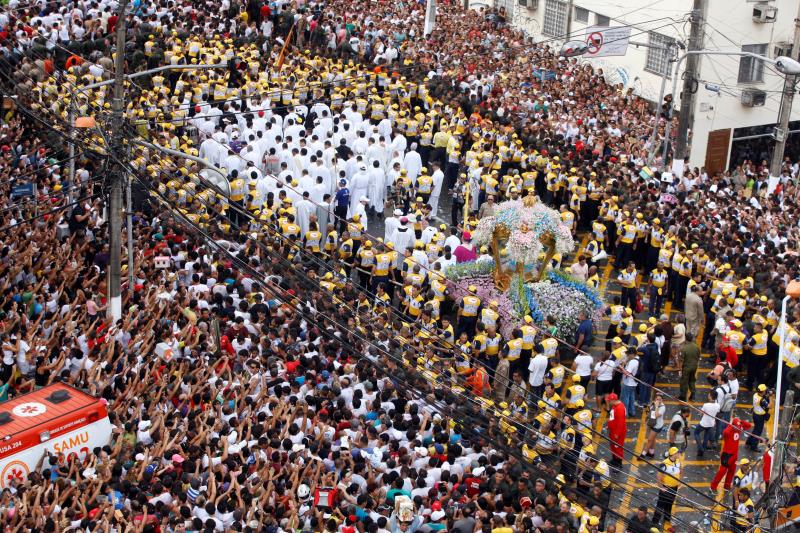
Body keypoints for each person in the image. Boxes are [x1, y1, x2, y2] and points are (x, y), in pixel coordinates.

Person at [710, 418, 754, 492]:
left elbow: (748, 425)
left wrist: (741, 422)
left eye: (739, 427)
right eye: (737, 427)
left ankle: (726, 486)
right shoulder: (728, 431)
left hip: (734, 454)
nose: (738, 428)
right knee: (722, 472)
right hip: (727, 455)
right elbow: (725, 432)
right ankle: (713, 487)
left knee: (732, 471)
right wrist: (731, 426)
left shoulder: (739, 428)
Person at [653, 446, 682, 531]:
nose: (679, 454)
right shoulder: (664, 464)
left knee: (669, 505)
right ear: (673, 454)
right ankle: (654, 523)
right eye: (677, 453)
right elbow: (659, 477)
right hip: (666, 488)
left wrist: (679, 481)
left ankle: (667, 522)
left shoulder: (678, 461)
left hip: (674, 488)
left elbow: (681, 470)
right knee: (660, 506)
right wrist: (661, 487)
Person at [745, 384, 772, 451]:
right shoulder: (761, 400)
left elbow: (763, 398)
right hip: (760, 417)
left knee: (755, 430)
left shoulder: (755, 395)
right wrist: (771, 397)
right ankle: (754, 446)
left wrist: (767, 395)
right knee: (758, 432)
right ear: (763, 391)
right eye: (765, 390)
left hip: (755, 414)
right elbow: (770, 406)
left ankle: (749, 442)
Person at [694, 390, 721, 457]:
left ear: (711, 396)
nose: (708, 395)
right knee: (706, 437)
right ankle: (702, 451)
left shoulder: (706, 405)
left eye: (709, 394)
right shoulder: (718, 405)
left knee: (696, 433)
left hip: (703, 423)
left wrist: (700, 411)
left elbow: (701, 414)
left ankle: (700, 448)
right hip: (711, 424)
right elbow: (717, 413)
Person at [640, 392, 665, 459]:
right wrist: (645, 420)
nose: (658, 401)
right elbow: (649, 412)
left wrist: (656, 406)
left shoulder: (662, 407)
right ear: (655, 399)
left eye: (660, 399)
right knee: (653, 439)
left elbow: (656, 415)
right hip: (651, 424)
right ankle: (651, 453)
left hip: (657, 426)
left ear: (662, 400)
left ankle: (643, 454)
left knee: (650, 440)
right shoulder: (652, 404)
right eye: (657, 399)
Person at [678, 332, 701, 401]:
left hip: (686, 367)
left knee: (684, 381)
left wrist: (680, 369)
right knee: (692, 380)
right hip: (694, 366)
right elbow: (698, 357)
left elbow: (681, 360)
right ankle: (693, 395)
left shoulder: (684, 348)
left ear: (686, 338)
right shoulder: (696, 347)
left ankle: (683, 396)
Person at [607, 392, 627, 466]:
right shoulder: (614, 406)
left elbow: (621, 423)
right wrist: (609, 426)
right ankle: (614, 460)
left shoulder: (620, 408)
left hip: (617, 433)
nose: (609, 402)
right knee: (613, 446)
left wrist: (617, 434)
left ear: (613, 400)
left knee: (617, 447)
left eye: (609, 401)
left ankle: (618, 463)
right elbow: (612, 417)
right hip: (613, 431)